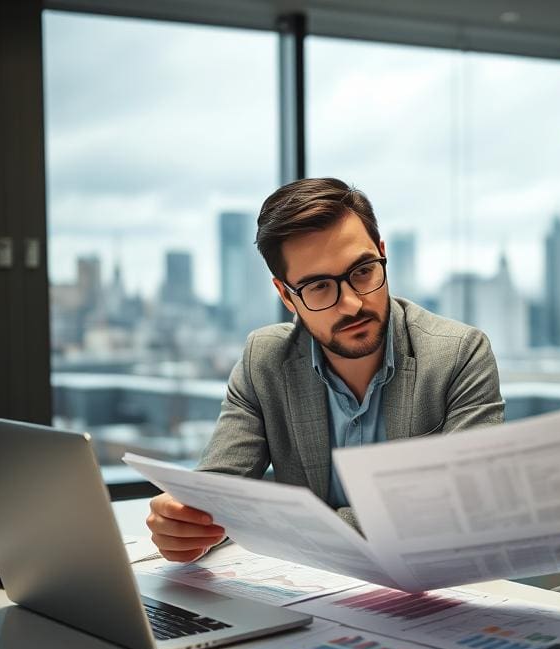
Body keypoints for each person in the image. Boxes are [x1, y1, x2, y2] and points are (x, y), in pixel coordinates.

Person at [147, 177, 504, 562]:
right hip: (313, 597)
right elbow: (219, 491)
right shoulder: (264, 361)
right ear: (286, 295)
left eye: (363, 271)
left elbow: (468, 505)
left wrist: (279, 528)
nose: (351, 303)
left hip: (435, 593)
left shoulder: (460, 354)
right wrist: (187, 523)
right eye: (319, 286)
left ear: (382, 254)